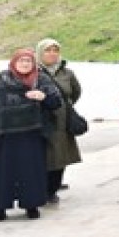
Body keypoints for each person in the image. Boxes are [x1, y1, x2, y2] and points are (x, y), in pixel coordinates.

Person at [0, 49, 61, 221]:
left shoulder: (41, 79)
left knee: (30, 171)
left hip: (31, 134)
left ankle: (31, 205)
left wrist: (43, 96)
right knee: (2, 172)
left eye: (28, 61)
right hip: (4, 134)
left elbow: (56, 102)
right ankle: (0, 208)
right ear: (14, 62)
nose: (25, 64)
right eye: (21, 60)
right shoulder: (0, 79)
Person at [36, 39, 81, 205]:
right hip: (40, 120)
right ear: (40, 53)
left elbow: (75, 92)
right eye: (48, 50)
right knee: (41, 155)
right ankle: (40, 188)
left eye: (55, 50)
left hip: (62, 121)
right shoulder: (34, 72)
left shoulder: (67, 73)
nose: (52, 53)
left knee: (60, 156)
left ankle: (52, 189)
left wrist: (64, 108)